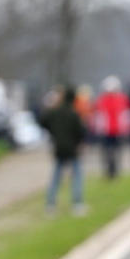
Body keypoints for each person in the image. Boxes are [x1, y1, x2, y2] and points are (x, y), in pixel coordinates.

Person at [39, 86, 87, 215]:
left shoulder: (55, 112)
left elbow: (43, 121)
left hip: (59, 147)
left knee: (56, 177)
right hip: (72, 149)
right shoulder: (73, 113)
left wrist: (54, 133)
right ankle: (77, 203)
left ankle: (50, 204)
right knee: (76, 176)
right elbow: (81, 132)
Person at [93, 76, 130, 179]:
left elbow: (126, 115)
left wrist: (127, 128)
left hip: (116, 130)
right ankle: (110, 170)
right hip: (108, 130)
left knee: (114, 152)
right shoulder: (103, 100)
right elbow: (100, 116)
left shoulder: (121, 99)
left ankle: (114, 170)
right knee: (109, 152)